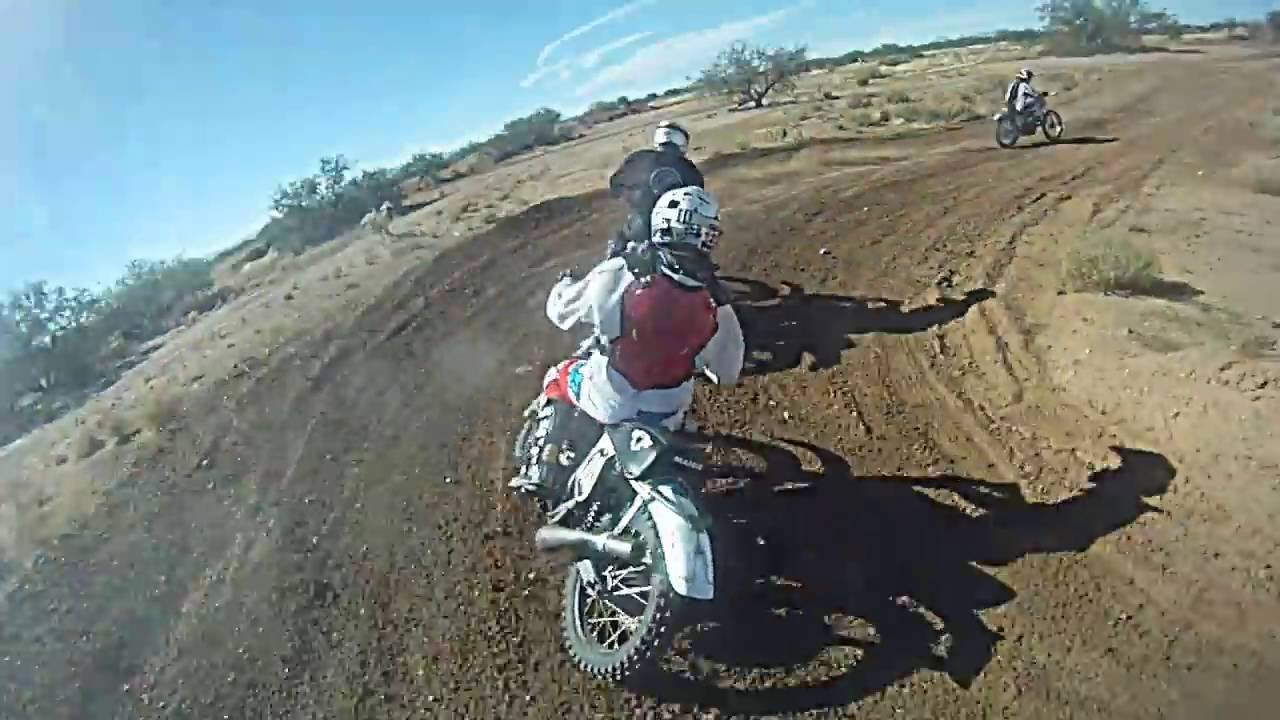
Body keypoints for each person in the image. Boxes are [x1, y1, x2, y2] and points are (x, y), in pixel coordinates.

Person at [543, 185, 743, 436]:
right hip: (668, 408)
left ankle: (538, 472)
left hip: (610, 397)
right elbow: (727, 372)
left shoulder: (621, 270)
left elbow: (560, 312)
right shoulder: (717, 301)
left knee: (557, 375)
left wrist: (564, 285)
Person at [605, 120, 705, 260]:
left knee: (612, 266)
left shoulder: (638, 158)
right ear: (682, 143)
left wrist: (634, 193)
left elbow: (615, 187)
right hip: (676, 238)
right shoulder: (691, 171)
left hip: (638, 232)